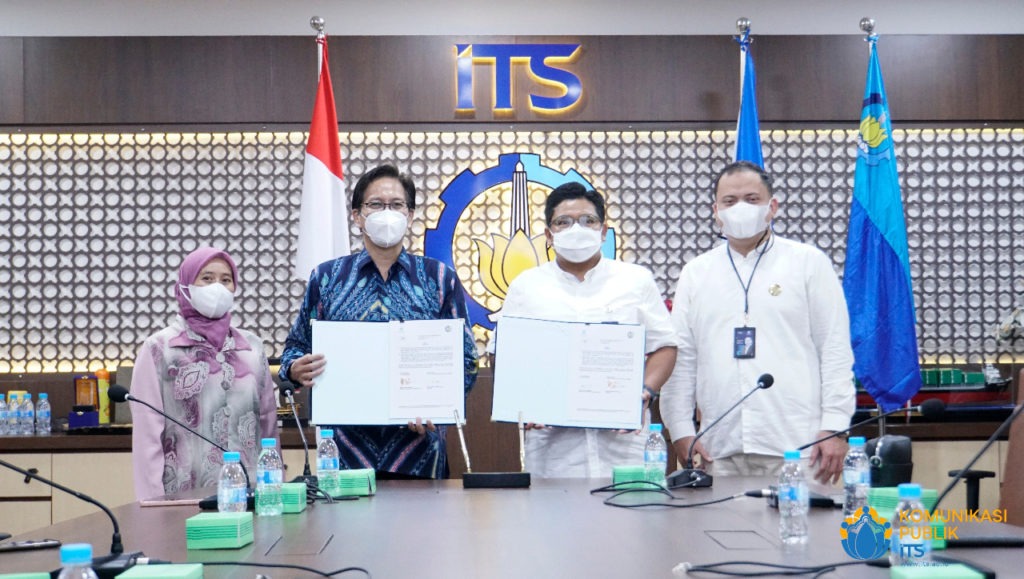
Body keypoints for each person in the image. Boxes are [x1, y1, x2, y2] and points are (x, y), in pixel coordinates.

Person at [660, 161, 855, 484]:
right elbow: (682, 359)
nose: (740, 208)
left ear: (772, 207)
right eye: (730, 201)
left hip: (801, 446)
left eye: (752, 199)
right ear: (716, 210)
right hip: (718, 446)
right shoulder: (697, 272)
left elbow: (834, 348)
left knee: (805, 534)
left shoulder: (807, 263)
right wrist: (680, 429)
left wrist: (834, 426)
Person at [280, 164, 478, 480]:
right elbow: (295, 348)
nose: (387, 212)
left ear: (410, 216)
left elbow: (467, 361)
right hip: (345, 454)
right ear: (357, 216)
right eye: (375, 204)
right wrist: (294, 368)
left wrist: (439, 407)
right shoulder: (328, 278)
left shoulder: (439, 279)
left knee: (423, 531)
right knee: (348, 531)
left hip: (419, 453)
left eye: (397, 205)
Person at [495, 182, 678, 478]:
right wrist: (524, 401)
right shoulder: (526, 287)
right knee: (553, 523)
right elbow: (504, 355)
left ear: (603, 232)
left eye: (587, 221)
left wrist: (644, 391)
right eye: (563, 222)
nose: (576, 229)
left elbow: (665, 346)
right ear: (549, 235)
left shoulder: (635, 280)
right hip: (553, 449)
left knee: (631, 522)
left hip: (624, 443)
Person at [131, 247, 279, 500]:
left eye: (226, 280)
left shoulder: (252, 347)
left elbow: (268, 427)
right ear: (186, 285)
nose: (217, 288)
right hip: (184, 497)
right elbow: (147, 437)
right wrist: (150, 503)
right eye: (207, 279)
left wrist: (277, 490)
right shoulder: (159, 349)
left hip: (251, 494)